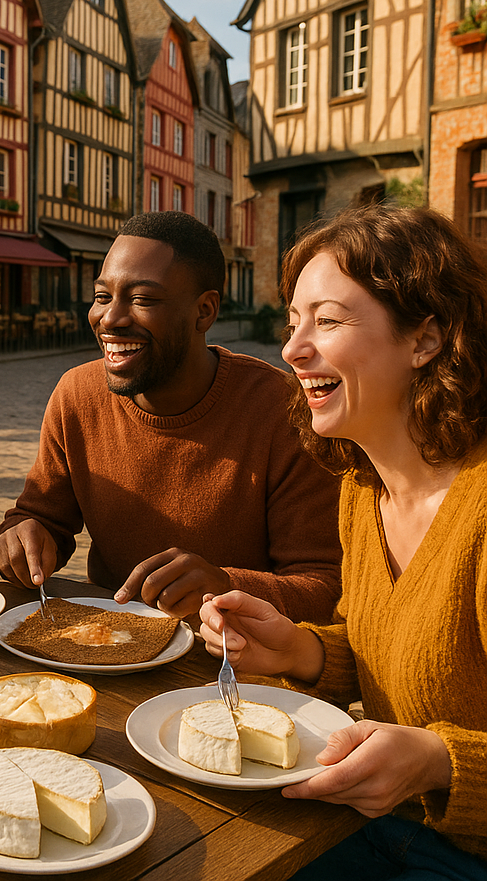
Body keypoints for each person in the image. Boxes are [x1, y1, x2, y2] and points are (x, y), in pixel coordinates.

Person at [200, 205, 487, 878]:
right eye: (294, 322)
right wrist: (297, 647)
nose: (294, 349)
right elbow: (381, 654)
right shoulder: (363, 488)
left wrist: (439, 763)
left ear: (426, 339)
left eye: (327, 321)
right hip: (377, 826)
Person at [0, 211, 341, 622]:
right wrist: (22, 536)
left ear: (205, 311)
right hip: (111, 643)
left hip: (234, 664)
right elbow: (41, 516)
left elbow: (325, 587)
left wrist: (225, 586)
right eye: (103, 296)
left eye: (141, 299)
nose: (110, 318)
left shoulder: (286, 410)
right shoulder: (76, 394)